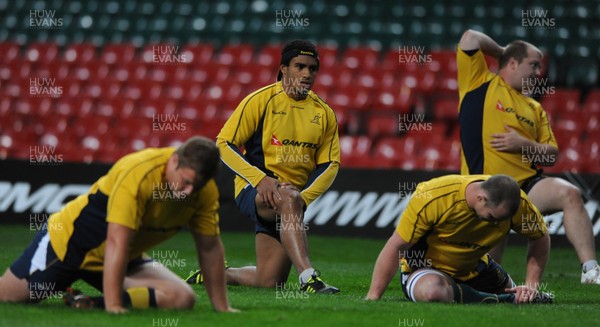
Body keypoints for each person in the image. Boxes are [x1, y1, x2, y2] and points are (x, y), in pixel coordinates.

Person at [0, 136, 237, 313]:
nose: (189, 192)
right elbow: (116, 240)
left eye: (196, 186)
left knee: (181, 298)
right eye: (185, 182)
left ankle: (87, 302)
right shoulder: (139, 172)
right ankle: (101, 298)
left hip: (122, 257)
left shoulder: (204, 193)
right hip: (67, 248)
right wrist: (115, 306)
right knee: (7, 297)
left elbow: (209, 248)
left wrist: (222, 307)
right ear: (173, 161)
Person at [187, 40, 340, 293]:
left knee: (269, 282)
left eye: (312, 69)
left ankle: (215, 272)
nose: (306, 74)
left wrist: (304, 198)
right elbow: (224, 144)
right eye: (299, 66)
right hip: (253, 190)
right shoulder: (260, 101)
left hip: (291, 203)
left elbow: (330, 164)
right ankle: (309, 278)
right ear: (283, 69)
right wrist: (260, 179)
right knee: (287, 197)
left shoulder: (324, 113)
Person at [456, 29, 600, 284]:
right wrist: (503, 51)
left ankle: (591, 271)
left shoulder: (535, 107)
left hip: (526, 186)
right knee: (487, 273)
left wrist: (523, 144)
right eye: (533, 65)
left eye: (540, 67)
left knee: (570, 194)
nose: (538, 73)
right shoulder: (479, 82)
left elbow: (551, 154)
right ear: (512, 63)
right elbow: (470, 37)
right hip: (486, 186)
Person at [366, 174, 552, 304]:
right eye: (493, 218)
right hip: (426, 268)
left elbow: (540, 237)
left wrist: (530, 286)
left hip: (476, 267)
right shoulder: (434, 196)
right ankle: (505, 300)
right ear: (481, 199)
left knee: (526, 297)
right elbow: (397, 246)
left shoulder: (518, 203)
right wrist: (373, 297)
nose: (497, 225)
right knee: (433, 293)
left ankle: (517, 297)